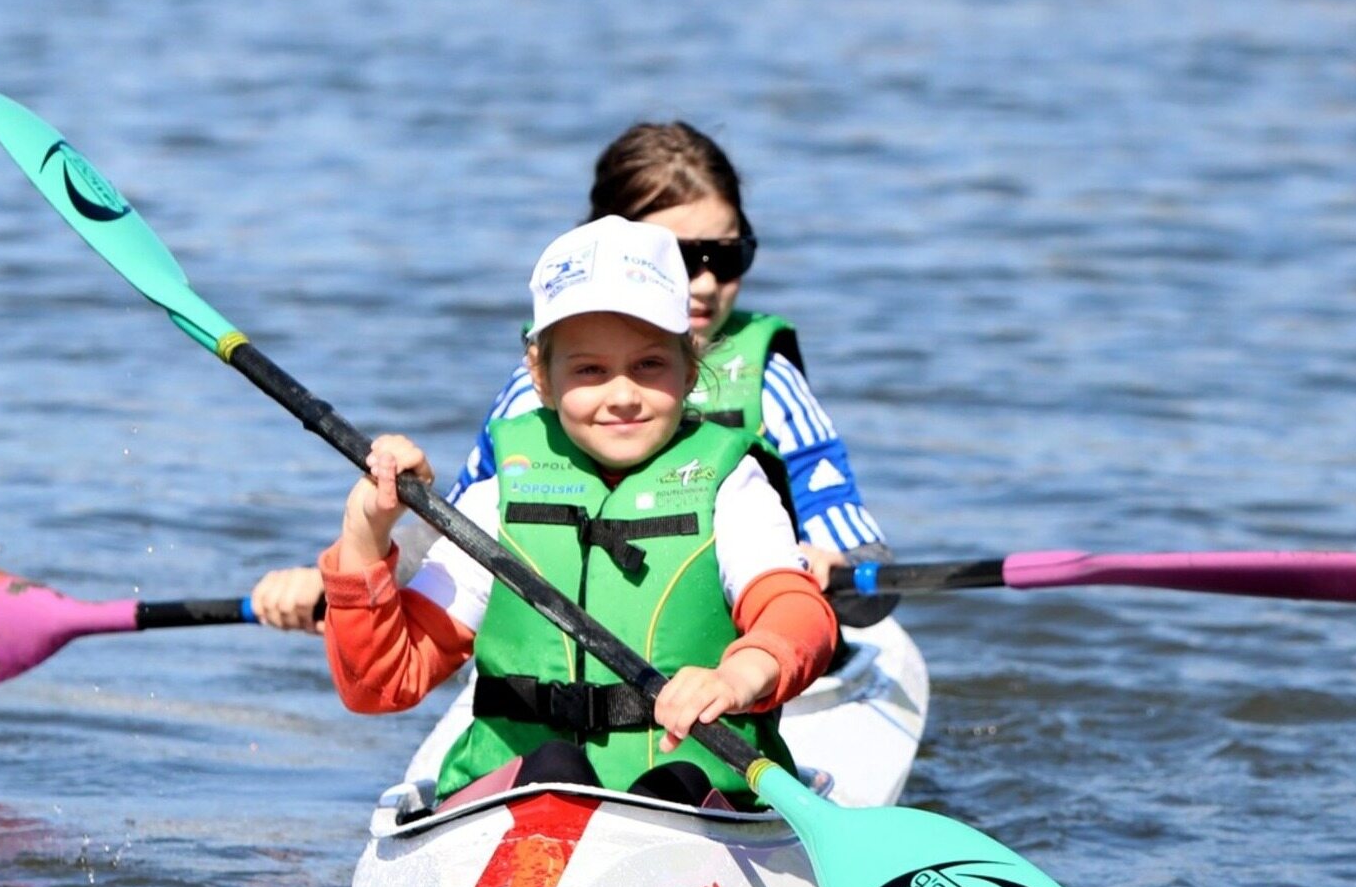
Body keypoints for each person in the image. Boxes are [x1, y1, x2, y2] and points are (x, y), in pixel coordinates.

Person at [251, 121, 893, 632]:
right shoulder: (538, 392)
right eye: (677, 257)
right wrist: (343, 578)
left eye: (724, 256)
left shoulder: (769, 383)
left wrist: (834, 568)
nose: (702, 282)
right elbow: (461, 528)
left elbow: (866, 559)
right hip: (569, 665)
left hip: (750, 658)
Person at [316, 217, 837, 810]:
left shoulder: (730, 485)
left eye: (648, 365)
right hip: (519, 809)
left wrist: (738, 676)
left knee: (678, 783)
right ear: (540, 376)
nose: (621, 394)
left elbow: (798, 613)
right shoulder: (496, 499)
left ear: (690, 366)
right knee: (554, 768)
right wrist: (364, 535)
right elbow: (381, 684)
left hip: (686, 807)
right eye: (589, 370)